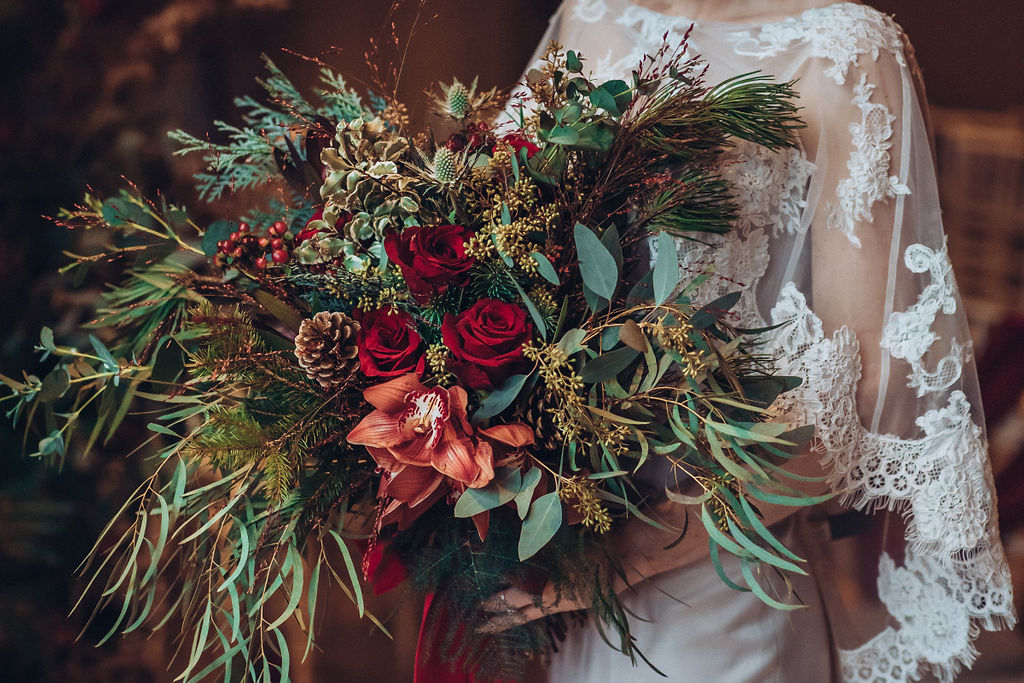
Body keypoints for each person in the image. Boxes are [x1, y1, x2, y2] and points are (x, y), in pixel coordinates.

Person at [492, 1, 1018, 681]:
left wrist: (633, 553)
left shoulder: (844, 50)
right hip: (574, 561)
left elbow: (858, 398)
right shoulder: (590, 15)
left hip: (719, 586)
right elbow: (499, 251)